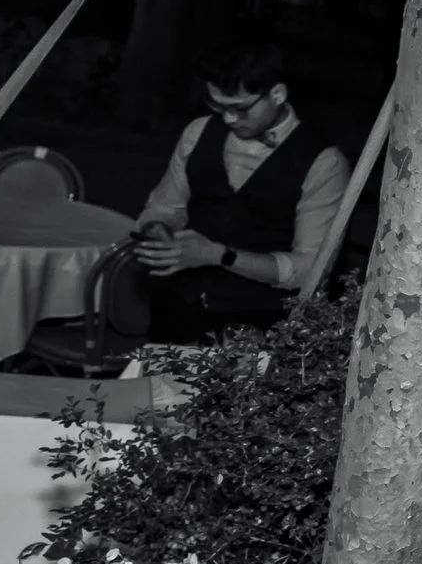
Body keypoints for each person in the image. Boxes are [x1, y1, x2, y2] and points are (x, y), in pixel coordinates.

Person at [133, 41, 348, 340]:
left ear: (277, 94)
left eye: (239, 108)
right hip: (179, 307)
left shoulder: (324, 163)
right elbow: (165, 207)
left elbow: (311, 268)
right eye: (217, 105)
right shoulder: (198, 132)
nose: (229, 119)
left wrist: (220, 256)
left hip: (261, 324)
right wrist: (158, 230)